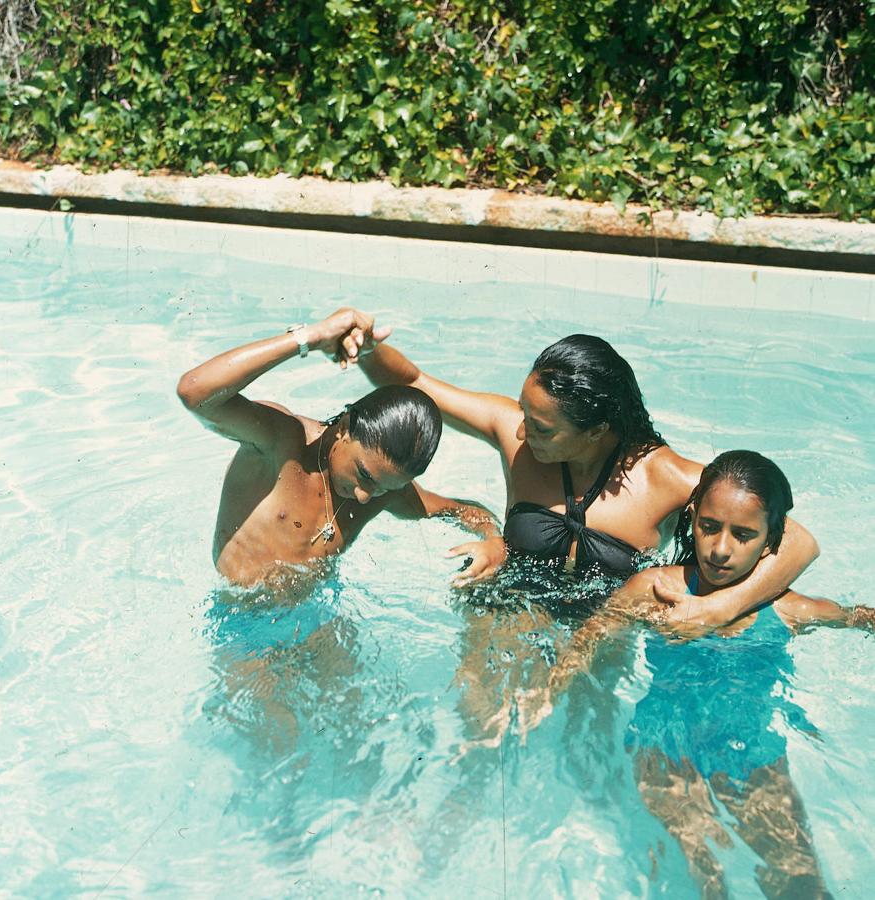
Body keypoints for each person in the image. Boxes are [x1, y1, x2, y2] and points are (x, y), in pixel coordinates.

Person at [512, 450, 873, 896]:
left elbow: (860, 618)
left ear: (772, 542)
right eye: (709, 527)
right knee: (703, 880)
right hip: (664, 749)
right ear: (692, 518)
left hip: (752, 755)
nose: (720, 549)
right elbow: (593, 635)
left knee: (800, 880)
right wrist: (549, 690)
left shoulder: (787, 610)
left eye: (743, 535)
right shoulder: (656, 589)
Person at [350, 326, 819, 625]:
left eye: (541, 426)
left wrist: (722, 607)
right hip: (506, 611)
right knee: (483, 740)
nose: (519, 428)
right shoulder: (516, 438)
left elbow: (797, 539)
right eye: (524, 411)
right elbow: (414, 383)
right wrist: (366, 346)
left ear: (596, 431)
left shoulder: (664, 476)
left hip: (600, 629)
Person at [177, 308, 499, 590]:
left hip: (317, 619)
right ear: (344, 427)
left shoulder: (384, 491)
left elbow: (466, 511)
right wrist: (310, 338)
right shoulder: (281, 443)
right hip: (240, 622)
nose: (364, 496)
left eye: (382, 488)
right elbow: (194, 392)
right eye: (364, 475)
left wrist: (494, 541)